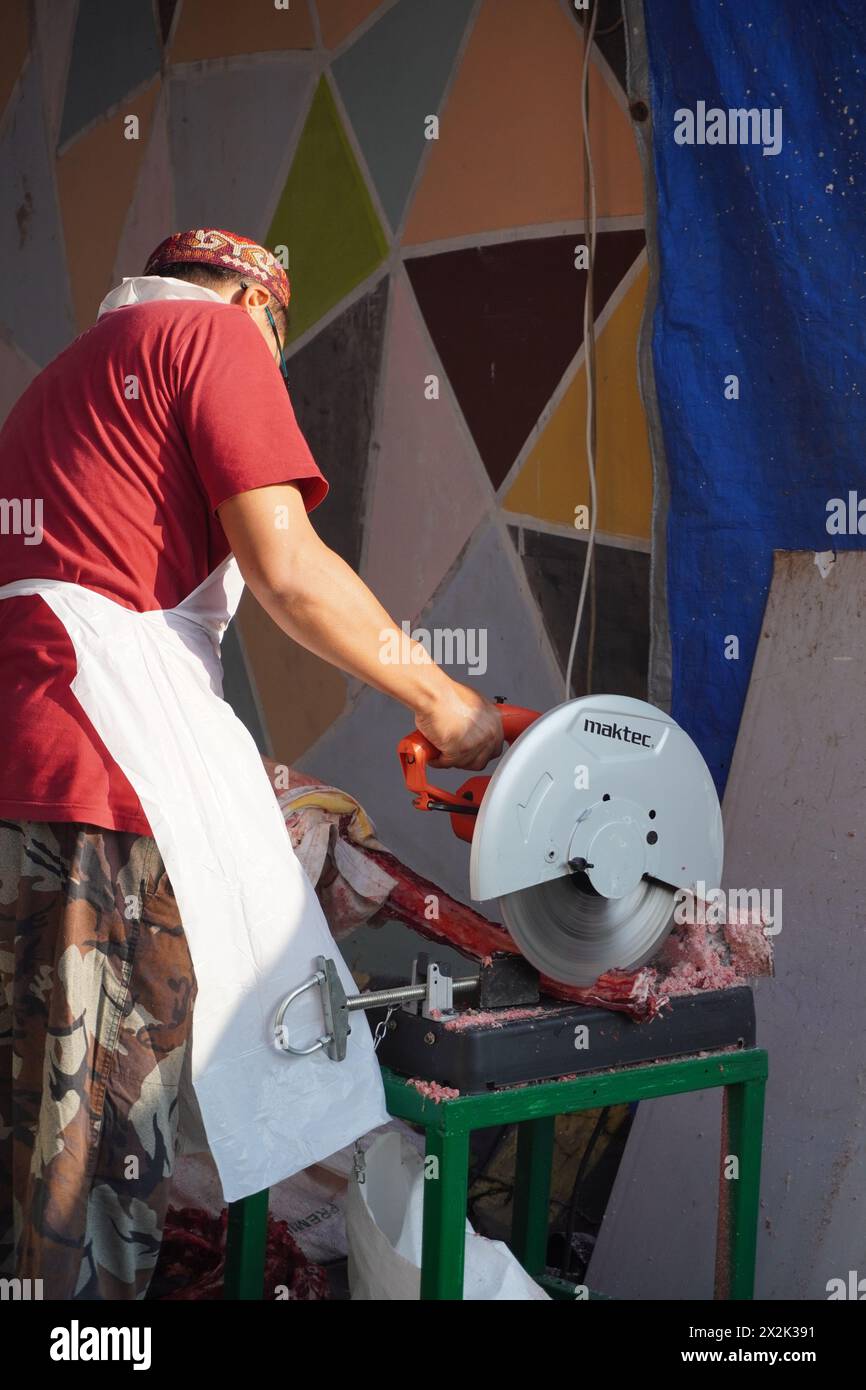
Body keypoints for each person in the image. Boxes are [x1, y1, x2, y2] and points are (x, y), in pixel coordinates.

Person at [0, 228, 503, 1300]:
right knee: (89, 1168)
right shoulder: (213, 339)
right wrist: (446, 703)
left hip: (28, 773)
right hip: (95, 782)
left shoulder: (58, 389)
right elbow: (288, 570)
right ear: (251, 298)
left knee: (29, 1138)